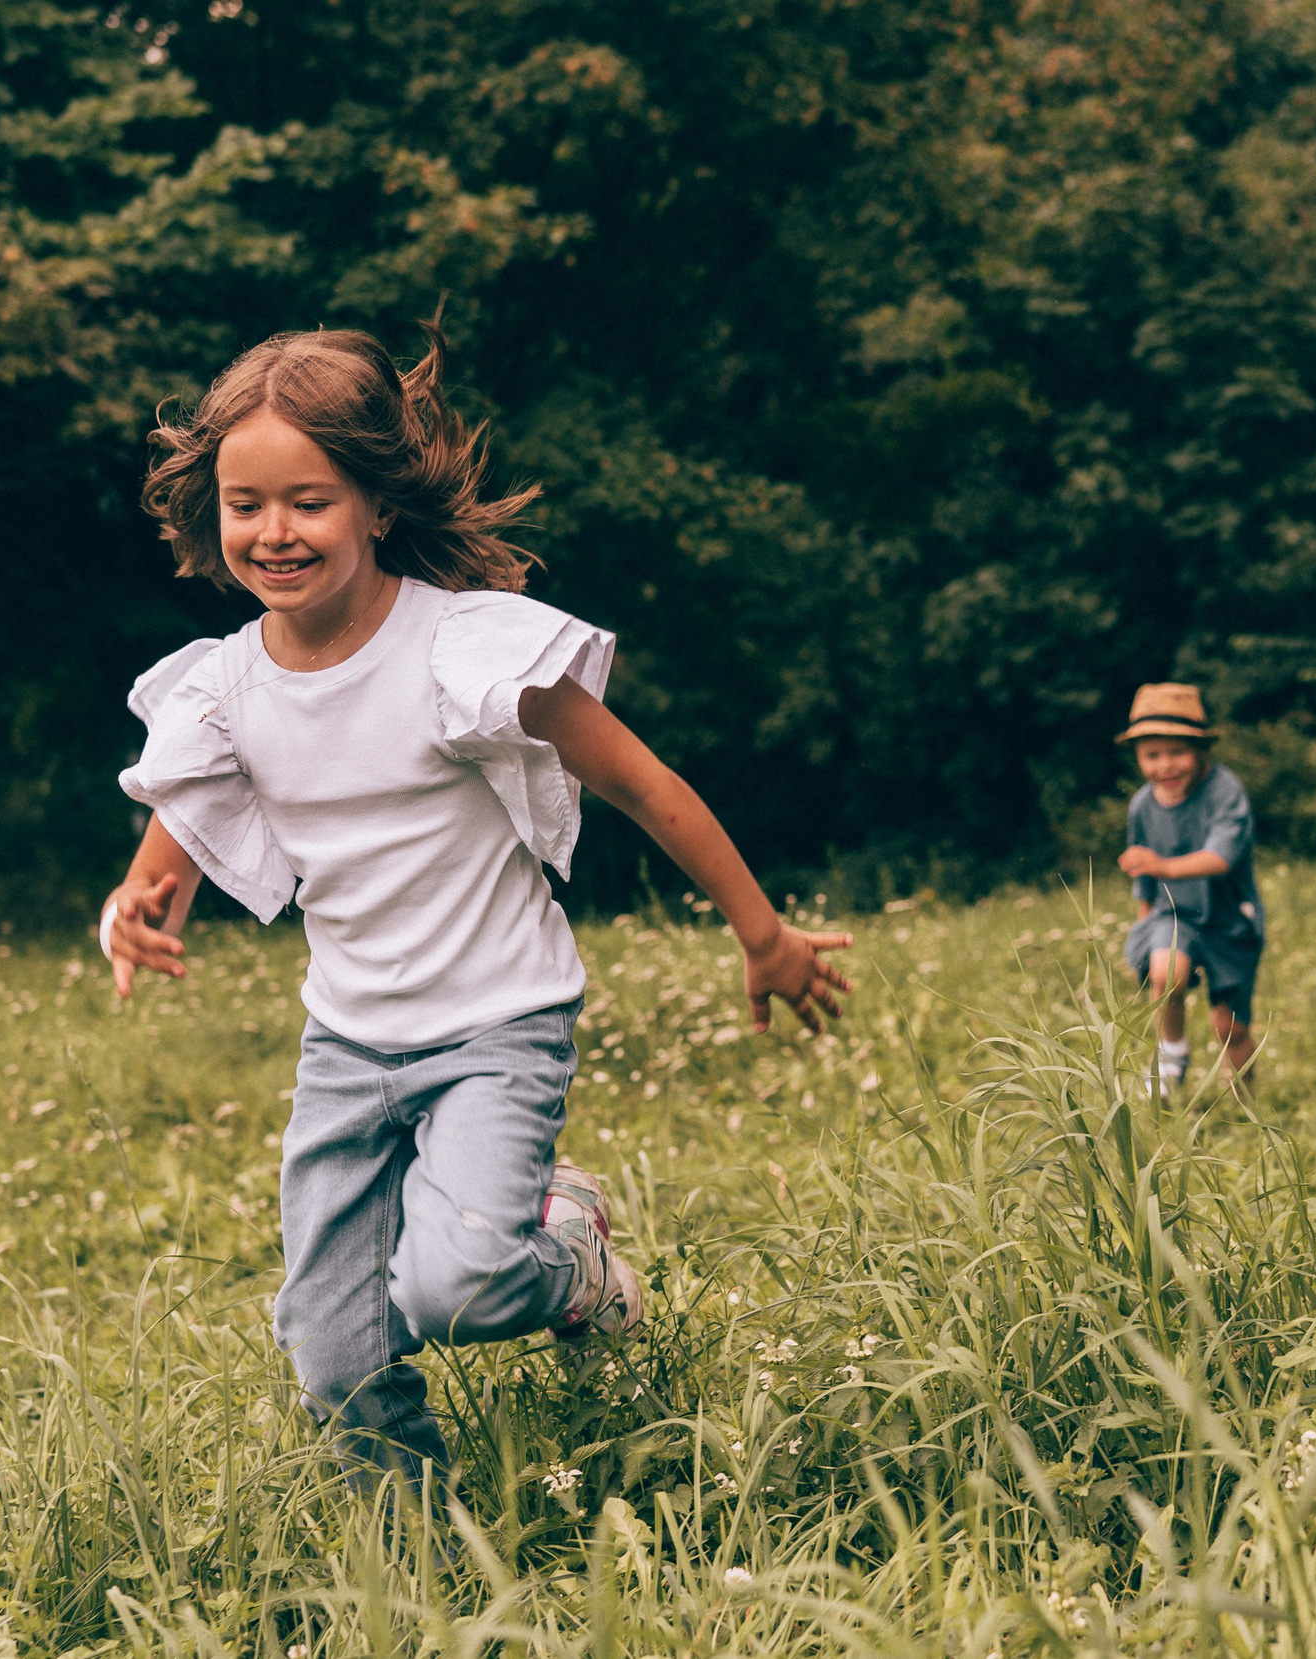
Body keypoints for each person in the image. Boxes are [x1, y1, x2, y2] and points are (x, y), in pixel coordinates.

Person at [98, 324, 850, 1483]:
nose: (274, 532)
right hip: (348, 1045)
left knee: (458, 1286)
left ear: (377, 506)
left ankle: (573, 1253)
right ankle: (418, 1569)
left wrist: (764, 935)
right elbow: (169, 853)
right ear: (214, 512)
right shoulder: (225, 688)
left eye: (310, 501)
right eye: (246, 504)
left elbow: (645, 785)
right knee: (331, 1347)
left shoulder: (462, 654)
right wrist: (135, 912)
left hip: (499, 1024)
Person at [1115, 683, 1263, 1092]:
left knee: (1229, 1027)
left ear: (1200, 750)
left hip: (1228, 919)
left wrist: (1164, 865)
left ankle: (1248, 1098)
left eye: (1177, 752)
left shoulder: (1223, 791)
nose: (1166, 766)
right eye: (1152, 755)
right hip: (1173, 914)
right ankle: (1172, 1051)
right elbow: (1144, 878)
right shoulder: (1142, 806)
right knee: (1166, 972)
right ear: (1138, 757)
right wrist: (1143, 930)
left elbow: (1221, 857)